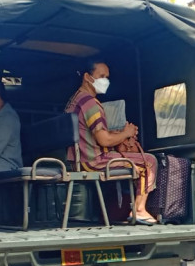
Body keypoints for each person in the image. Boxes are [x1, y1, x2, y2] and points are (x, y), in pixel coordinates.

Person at [65, 59, 158, 225]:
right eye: (101, 76)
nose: (105, 81)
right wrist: (126, 133)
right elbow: (103, 139)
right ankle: (139, 210)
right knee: (149, 162)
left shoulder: (74, 101)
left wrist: (119, 134)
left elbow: (90, 134)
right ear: (87, 77)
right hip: (94, 161)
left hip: (78, 160)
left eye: (107, 77)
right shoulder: (90, 103)